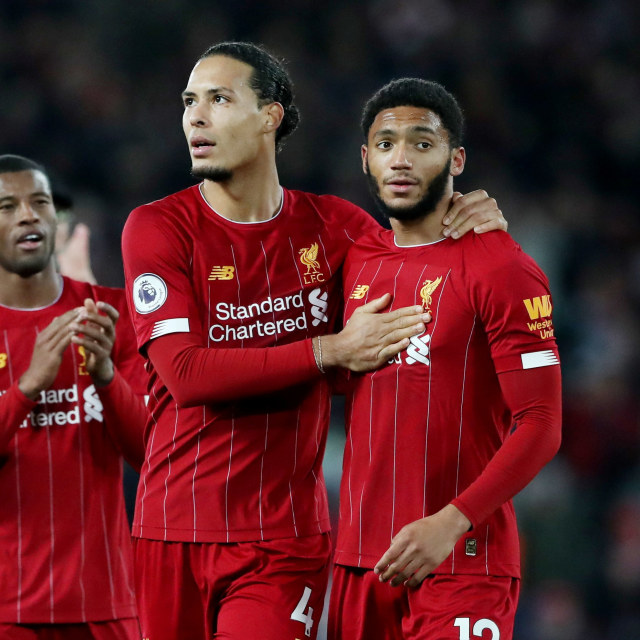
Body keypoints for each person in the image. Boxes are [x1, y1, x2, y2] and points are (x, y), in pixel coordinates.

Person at [120, 42, 506, 640]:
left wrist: (473, 228)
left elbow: (423, 273)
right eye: (190, 102)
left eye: (219, 99)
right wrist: (328, 351)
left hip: (285, 539)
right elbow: (185, 374)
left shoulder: (339, 229)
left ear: (271, 116)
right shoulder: (157, 227)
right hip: (169, 527)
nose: (195, 117)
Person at [327, 79, 562, 640]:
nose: (401, 159)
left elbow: (542, 425)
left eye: (422, 143)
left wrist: (451, 522)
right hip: (359, 565)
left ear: (456, 158)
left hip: (462, 560)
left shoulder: (502, 267)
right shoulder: (355, 255)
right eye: (385, 145)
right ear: (365, 159)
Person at [0, 154, 148, 640]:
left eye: (39, 202)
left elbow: (151, 453)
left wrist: (105, 375)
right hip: (9, 611)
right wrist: (26, 389)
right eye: (7, 206)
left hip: (104, 604)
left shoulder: (111, 314)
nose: (27, 214)